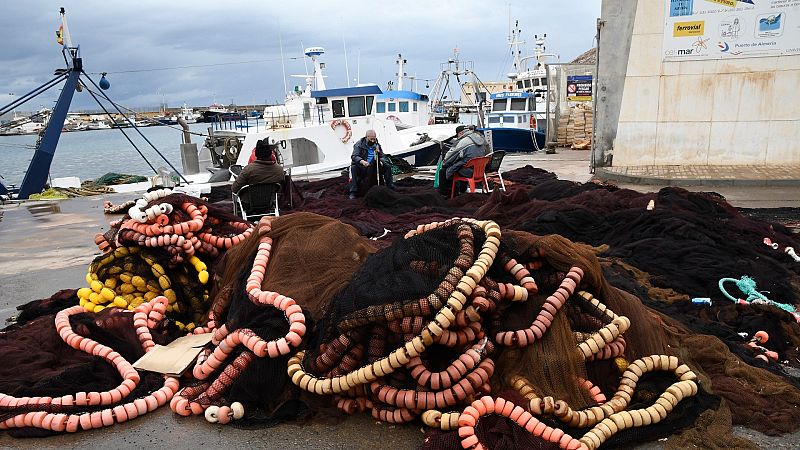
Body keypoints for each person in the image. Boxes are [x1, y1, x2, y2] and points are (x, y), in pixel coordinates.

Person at [232, 139, 285, 208]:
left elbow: (234, 188)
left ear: (256, 154)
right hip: (270, 203)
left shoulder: (248, 169)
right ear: (270, 154)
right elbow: (283, 186)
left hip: (248, 204)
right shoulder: (279, 170)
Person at [438, 125, 488, 195]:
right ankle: (462, 190)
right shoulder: (480, 138)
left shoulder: (463, 141)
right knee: (464, 163)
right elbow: (487, 152)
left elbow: (450, 157)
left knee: (443, 171)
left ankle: (446, 194)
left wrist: (444, 163)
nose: (457, 138)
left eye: (457, 135)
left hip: (469, 172)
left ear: (461, 133)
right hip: (480, 171)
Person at [348, 129, 394, 199]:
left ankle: (390, 186)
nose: (373, 141)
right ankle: (353, 191)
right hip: (363, 166)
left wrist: (381, 160)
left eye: (374, 139)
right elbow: (354, 156)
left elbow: (383, 156)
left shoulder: (377, 145)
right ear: (366, 137)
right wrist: (362, 161)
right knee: (353, 168)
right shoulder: (358, 145)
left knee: (387, 167)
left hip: (375, 165)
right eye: (371, 139)